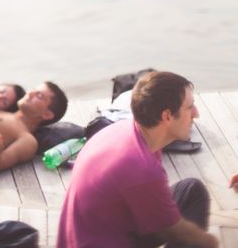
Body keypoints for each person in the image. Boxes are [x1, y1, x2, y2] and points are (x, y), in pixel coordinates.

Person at [56, 70, 216, 248]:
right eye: (189, 107)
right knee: (198, 240)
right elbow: (178, 230)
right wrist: (210, 242)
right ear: (167, 116)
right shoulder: (140, 166)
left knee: (191, 191)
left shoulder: (125, 131)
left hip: (99, 230)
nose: (196, 113)